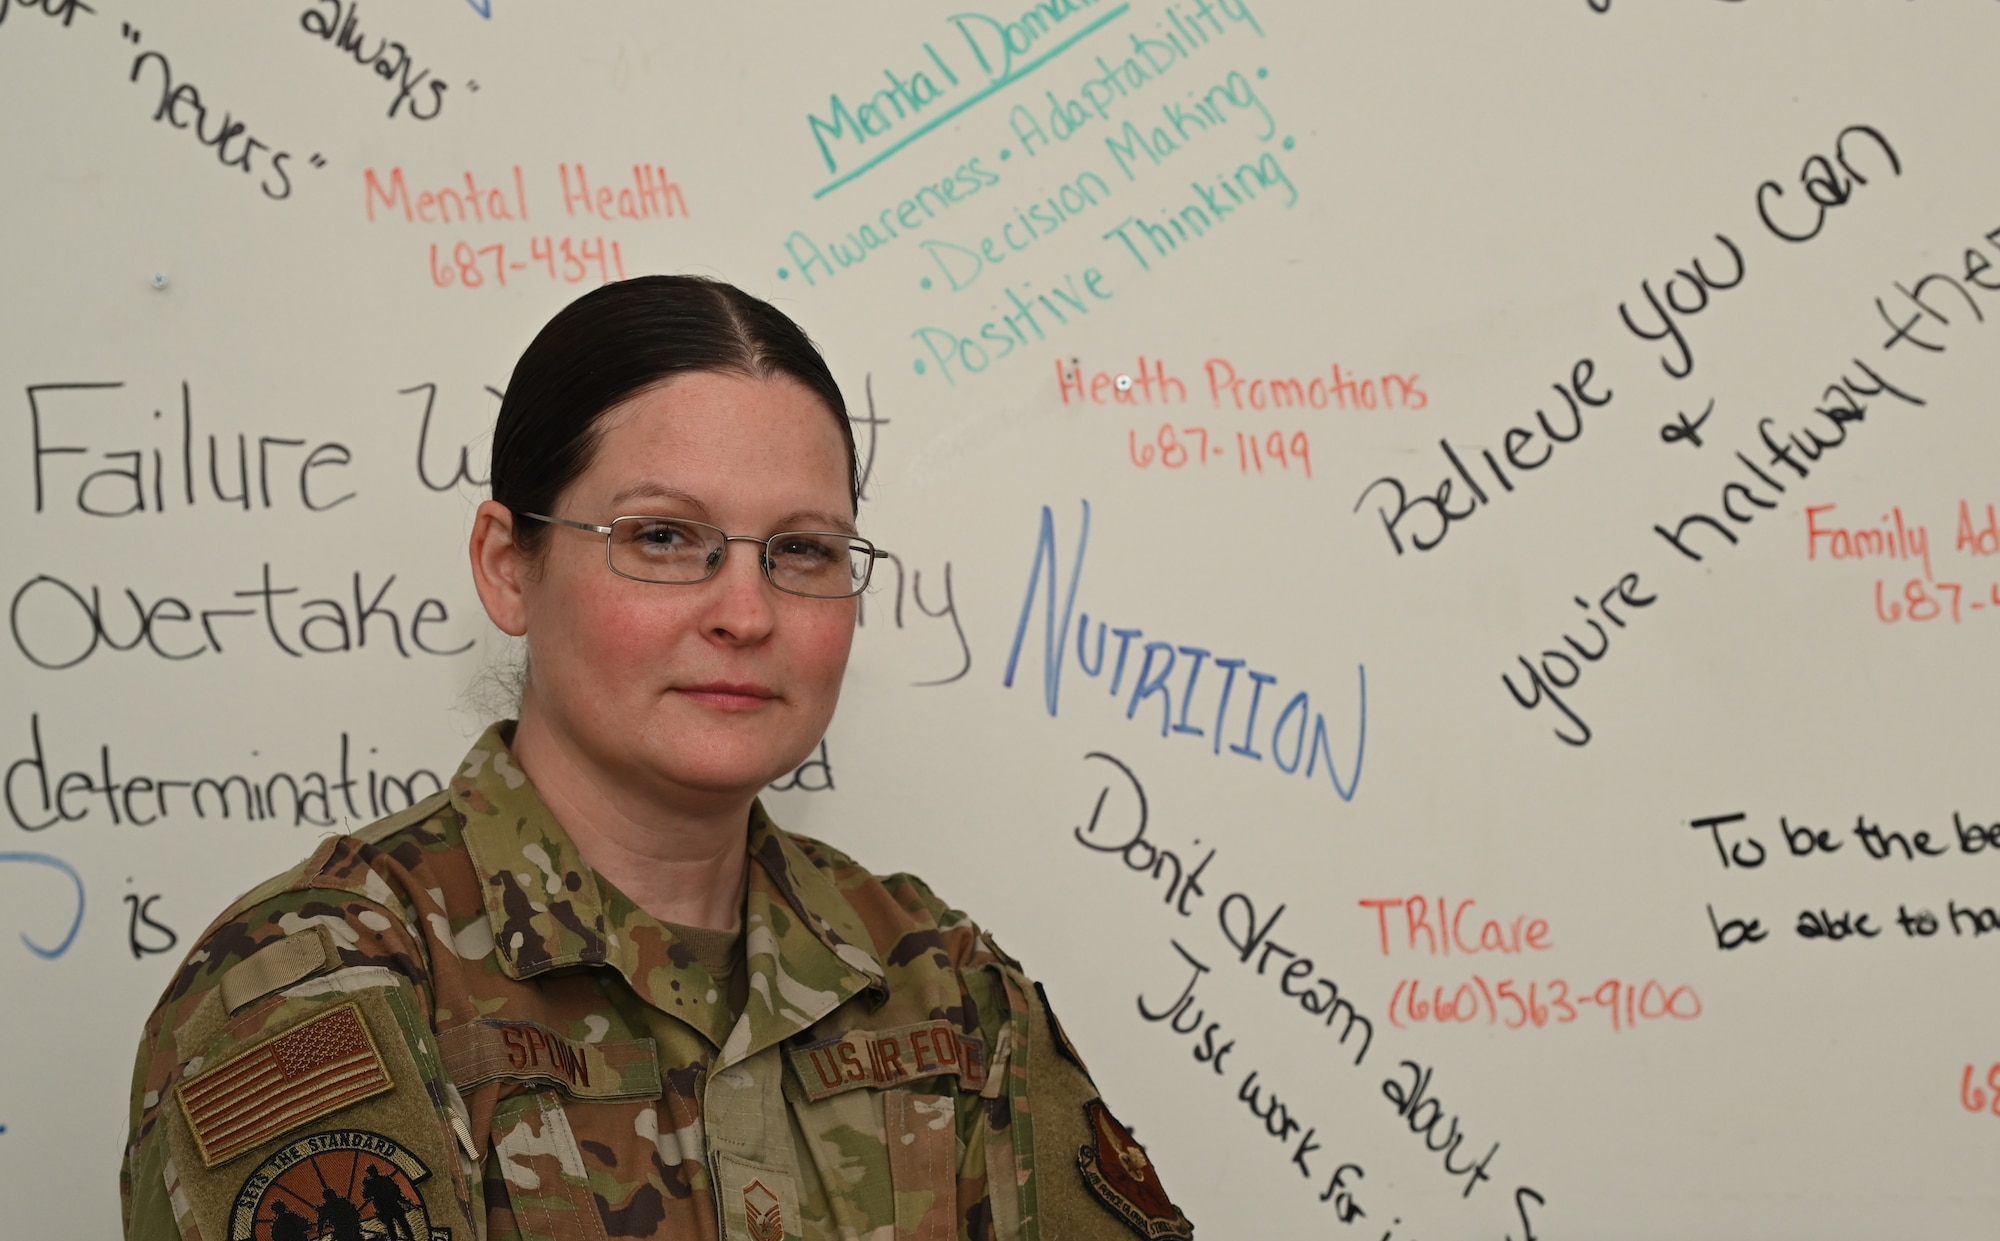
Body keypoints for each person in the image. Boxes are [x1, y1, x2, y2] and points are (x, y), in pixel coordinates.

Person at [120, 275, 1190, 1241]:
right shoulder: (320, 983)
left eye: (802, 549)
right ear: (508, 565)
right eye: (664, 538)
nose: (744, 610)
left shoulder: (938, 984)